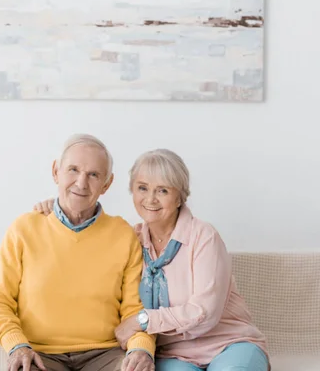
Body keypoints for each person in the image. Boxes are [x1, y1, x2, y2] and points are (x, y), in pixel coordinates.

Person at [34, 149, 270, 371]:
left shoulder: (203, 236)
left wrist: (143, 320)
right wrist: (56, 211)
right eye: (142, 188)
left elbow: (204, 312)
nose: (151, 199)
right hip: (172, 353)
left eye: (163, 190)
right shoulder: (130, 239)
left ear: (180, 197)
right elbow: (85, 245)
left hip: (227, 343)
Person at [0, 134, 155, 371]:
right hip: (39, 354)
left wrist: (141, 348)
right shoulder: (23, 229)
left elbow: (137, 308)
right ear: (56, 172)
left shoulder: (124, 235)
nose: (82, 183)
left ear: (107, 184)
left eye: (94, 174)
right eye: (73, 170)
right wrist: (17, 345)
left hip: (106, 354)